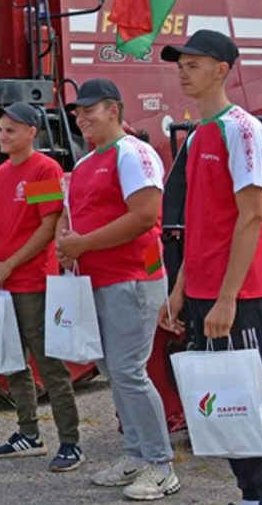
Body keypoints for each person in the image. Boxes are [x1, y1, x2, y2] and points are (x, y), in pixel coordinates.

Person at [158, 31, 262, 505]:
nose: (183, 70)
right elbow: (199, 223)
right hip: (204, 290)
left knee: (248, 394)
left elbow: (252, 214)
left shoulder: (241, 128)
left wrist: (227, 296)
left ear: (223, 69)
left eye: (194, 63)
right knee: (228, 397)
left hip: (234, 293)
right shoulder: (198, 134)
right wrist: (179, 289)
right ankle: (252, 493)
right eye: (181, 63)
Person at [56, 79, 179, 500]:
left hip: (131, 279)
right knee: (116, 372)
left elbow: (145, 216)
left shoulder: (133, 153)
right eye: (77, 113)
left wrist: (82, 244)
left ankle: (160, 465)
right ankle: (138, 455)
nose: (81, 117)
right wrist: (69, 244)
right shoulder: (91, 160)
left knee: (128, 371)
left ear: (114, 109)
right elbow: (77, 214)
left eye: (89, 110)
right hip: (102, 279)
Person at [0, 103, 83, 471]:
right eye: (0, 130)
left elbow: (46, 228)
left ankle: (71, 442)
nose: (2, 136)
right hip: (4, 284)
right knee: (11, 360)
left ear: (31, 132)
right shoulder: (0, 173)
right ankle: (28, 432)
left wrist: (9, 264)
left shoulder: (43, 169)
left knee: (48, 365)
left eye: (11, 130)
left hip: (32, 283)